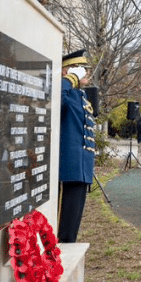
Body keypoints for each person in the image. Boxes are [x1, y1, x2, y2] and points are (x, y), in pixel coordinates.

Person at [59, 49, 97, 243]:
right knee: (62, 227)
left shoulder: (80, 96)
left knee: (72, 225)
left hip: (80, 168)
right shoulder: (65, 91)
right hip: (68, 168)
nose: (86, 73)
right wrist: (70, 79)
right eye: (81, 69)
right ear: (67, 71)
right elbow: (55, 102)